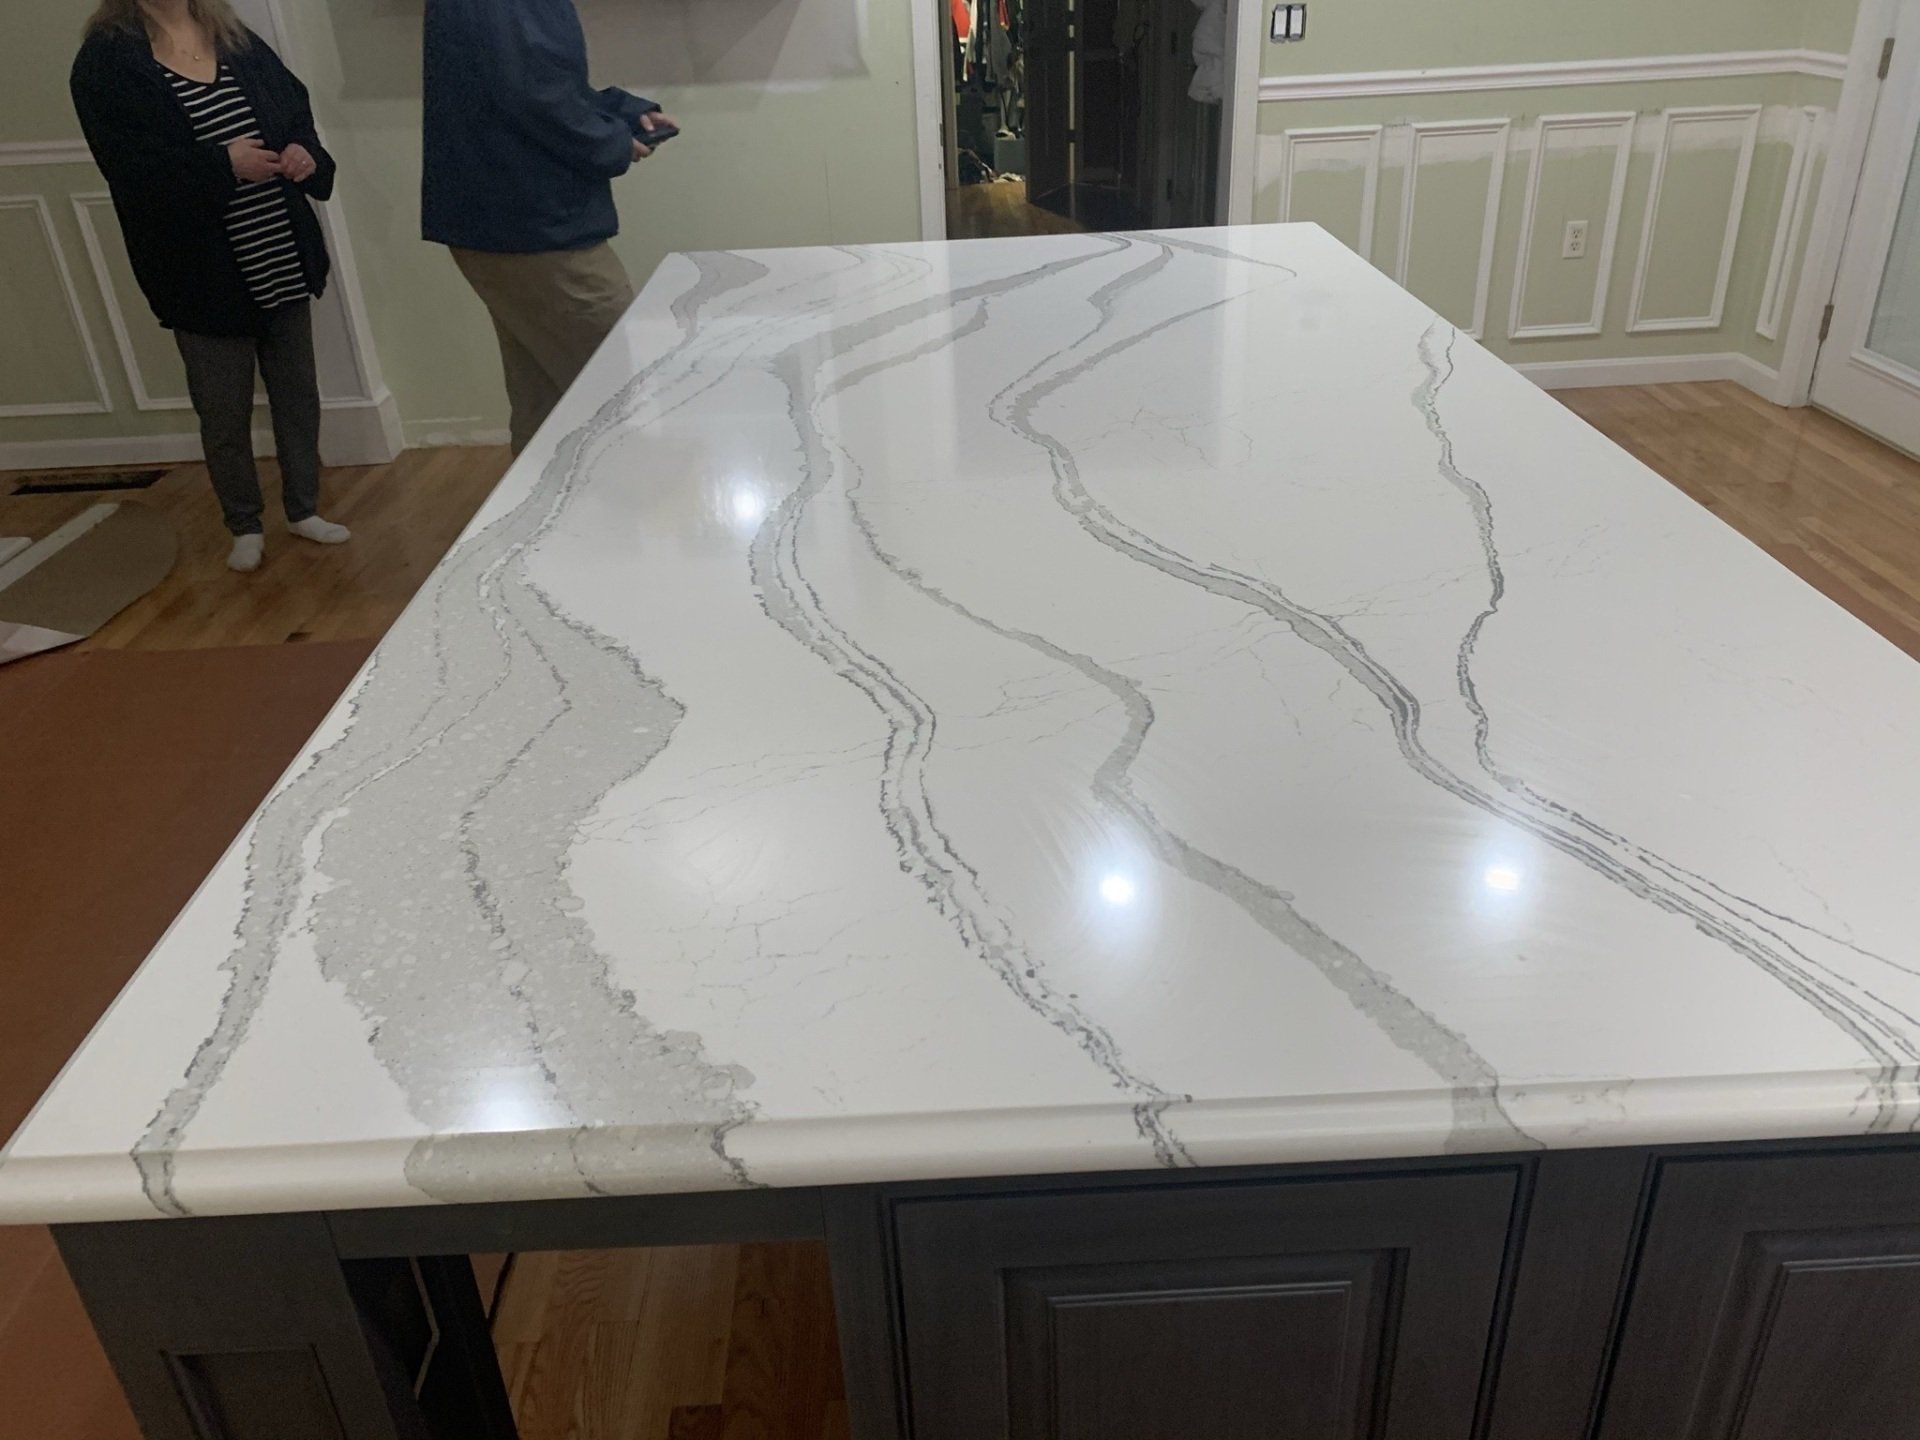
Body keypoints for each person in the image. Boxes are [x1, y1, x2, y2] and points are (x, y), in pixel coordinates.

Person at [71, 0, 350, 574]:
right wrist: (223, 165)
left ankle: (303, 509)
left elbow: (294, 113)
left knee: (298, 395)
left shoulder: (233, 37)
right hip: (200, 274)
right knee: (223, 411)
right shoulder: (106, 62)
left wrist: (304, 153)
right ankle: (243, 525)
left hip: (279, 250)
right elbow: (131, 171)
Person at [422, 0, 677, 456]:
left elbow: (532, 82)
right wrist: (612, 140)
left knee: (546, 406)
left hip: (508, 223)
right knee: (619, 396)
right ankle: (623, 519)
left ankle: (546, 523)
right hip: (536, 226)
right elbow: (533, 96)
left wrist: (620, 112)